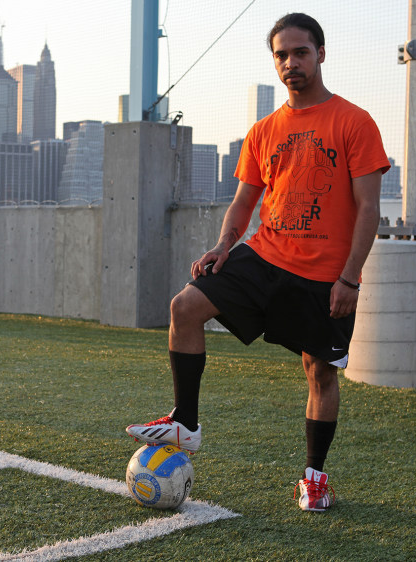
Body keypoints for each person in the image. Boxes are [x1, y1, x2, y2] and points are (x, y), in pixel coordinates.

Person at [126, 12, 390, 512]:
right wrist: (225, 245)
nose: (291, 63)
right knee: (185, 306)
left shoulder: (354, 122)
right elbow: (245, 201)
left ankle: (314, 476)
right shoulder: (264, 130)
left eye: (301, 52)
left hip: (323, 275)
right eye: (281, 55)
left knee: (321, 373)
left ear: (321, 54)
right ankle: (186, 421)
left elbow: (369, 208)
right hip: (264, 256)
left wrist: (350, 278)